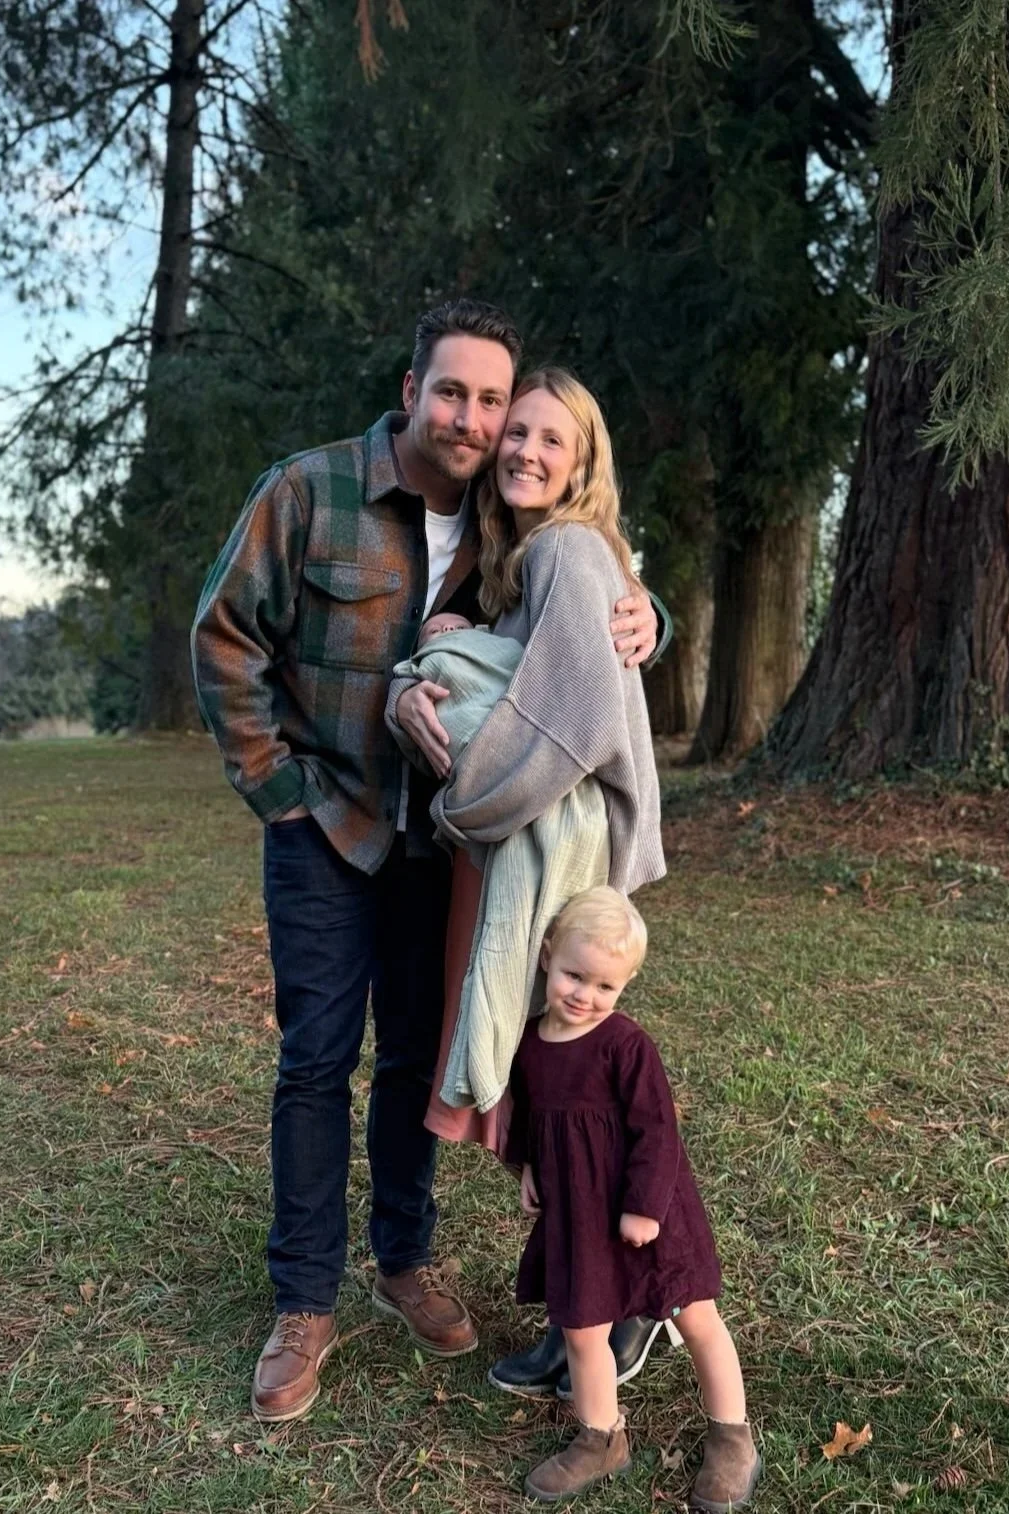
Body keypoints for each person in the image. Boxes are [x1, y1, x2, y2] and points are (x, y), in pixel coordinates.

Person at [191, 298, 665, 1424]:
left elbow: (584, 602)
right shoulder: (310, 491)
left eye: (493, 401)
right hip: (327, 826)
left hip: (437, 842)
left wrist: (654, 614)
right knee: (316, 1059)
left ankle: (403, 1257)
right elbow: (224, 635)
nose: (474, 419)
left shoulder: (508, 524)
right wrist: (281, 793)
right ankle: (304, 1301)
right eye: (453, 392)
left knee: (417, 1055)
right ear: (412, 392)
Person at [389, 366, 677, 1398]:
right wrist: (465, 644)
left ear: (584, 460)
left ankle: (628, 1305)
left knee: (571, 1092)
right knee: (552, 1089)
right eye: (518, 433)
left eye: (554, 439)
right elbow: (545, 672)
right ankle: (582, 1307)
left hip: (547, 844)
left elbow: (576, 714)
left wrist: (466, 799)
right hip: (534, 842)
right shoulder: (531, 560)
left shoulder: (565, 548)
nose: (525, 450)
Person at [507, 888, 760, 1509]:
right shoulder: (531, 1042)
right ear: (547, 956)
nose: (585, 996)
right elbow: (531, 1114)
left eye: (605, 986)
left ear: (625, 985)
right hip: (578, 1212)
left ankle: (732, 1436)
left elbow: (657, 1129)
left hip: (646, 1210)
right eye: (574, 975)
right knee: (582, 1327)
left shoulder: (624, 1044)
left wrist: (645, 1206)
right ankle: (601, 1438)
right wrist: (528, 1166)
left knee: (695, 1316)